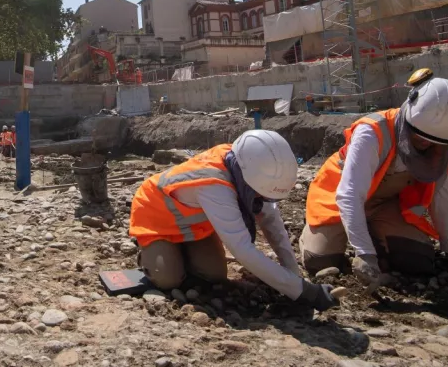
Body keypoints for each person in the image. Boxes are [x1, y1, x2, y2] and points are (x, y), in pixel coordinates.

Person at [300, 77, 448, 288]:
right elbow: (350, 195)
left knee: (417, 260)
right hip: (336, 199)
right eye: (419, 137)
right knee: (319, 260)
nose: (426, 144)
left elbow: (443, 197)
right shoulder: (372, 132)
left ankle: (373, 231)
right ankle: (329, 234)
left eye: (434, 143)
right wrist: (365, 254)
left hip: (384, 205)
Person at [129, 130, 338, 312]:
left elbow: (272, 224)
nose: (262, 200)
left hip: (193, 225)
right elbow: (242, 249)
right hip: (156, 218)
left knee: (213, 275)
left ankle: (178, 254)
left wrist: (295, 278)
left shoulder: (246, 164)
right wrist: (303, 291)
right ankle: (150, 255)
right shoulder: (214, 185)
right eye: (261, 195)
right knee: (168, 279)